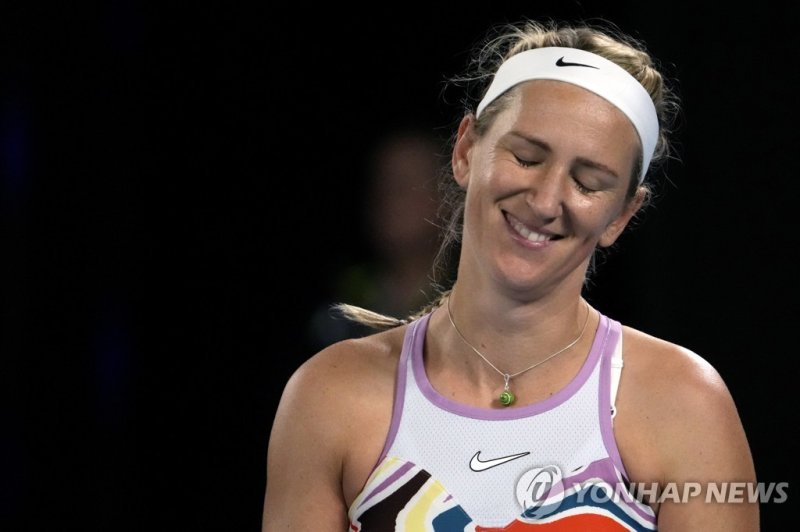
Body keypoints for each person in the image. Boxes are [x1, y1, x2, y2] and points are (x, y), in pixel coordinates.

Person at [262, 18, 758, 531]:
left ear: (622, 216)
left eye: (588, 183)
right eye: (525, 157)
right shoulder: (330, 395)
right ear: (464, 150)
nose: (545, 201)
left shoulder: (685, 404)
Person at [304, 127, 446, 354]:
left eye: (406, 185)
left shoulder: (470, 301)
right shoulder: (340, 299)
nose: (388, 197)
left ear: (447, 199)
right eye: (381, 182)